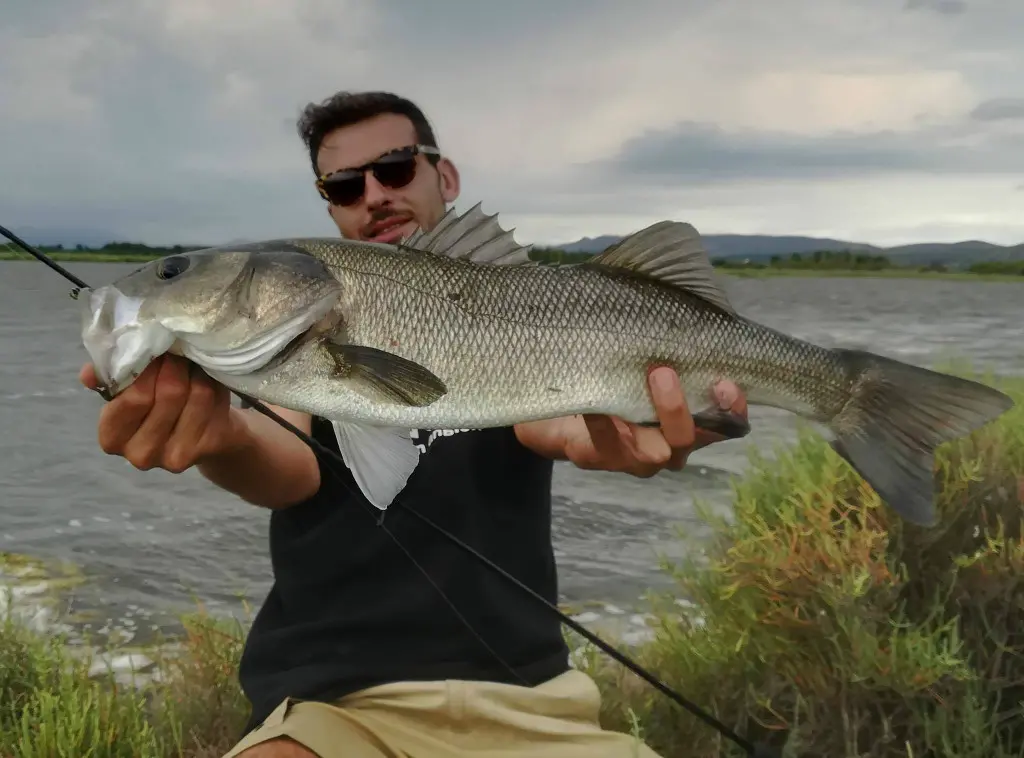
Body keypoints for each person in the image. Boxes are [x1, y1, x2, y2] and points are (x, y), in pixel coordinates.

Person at [79, 90, 748, 758]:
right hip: (335, 706)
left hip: (537, 709)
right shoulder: (290, 354)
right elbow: (286, 460)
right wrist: (219, 440)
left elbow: (563, 424)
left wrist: (620, 433)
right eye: (343, 185)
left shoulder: (537, 309)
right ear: (330, 205)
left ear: (444, 176)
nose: (373, 194)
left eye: (395, 169)